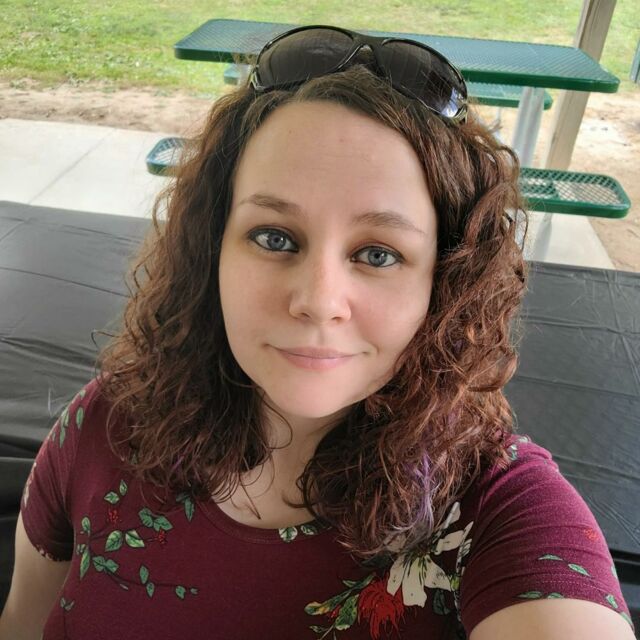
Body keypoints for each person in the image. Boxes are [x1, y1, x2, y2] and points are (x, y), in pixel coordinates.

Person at [0, 25, 635, 640]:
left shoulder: (499, 510)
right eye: (275, 238)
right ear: (211, 250)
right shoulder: (106, 425)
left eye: (378, 254)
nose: (318, 301)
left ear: (444, 283)